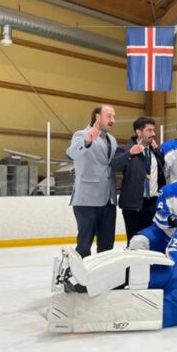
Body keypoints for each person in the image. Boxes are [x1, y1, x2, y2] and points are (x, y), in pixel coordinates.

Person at [66, 105, 118, 258]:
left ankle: (104, 273)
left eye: (114, 117)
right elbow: (71, 154)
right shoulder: (81, 134)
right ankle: (80, 273)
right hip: (86, 200)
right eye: (109, 116)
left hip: (108, 199)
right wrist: (87, 141)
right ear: (97, 117)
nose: (113, 120)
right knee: (84, 245)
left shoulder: (112, 140)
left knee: (107, 246)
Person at [112, 117, 167, 245]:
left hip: (153, 204)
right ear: (138, 132)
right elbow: (114, 166)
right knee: (134, 242)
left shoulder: (155, 151)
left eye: (153, 130)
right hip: (133, 206)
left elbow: (161, 173)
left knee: (152, 241)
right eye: (149, 130)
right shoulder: (125, 149)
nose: (153, 133)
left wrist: (157, 150)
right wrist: (130, 153)